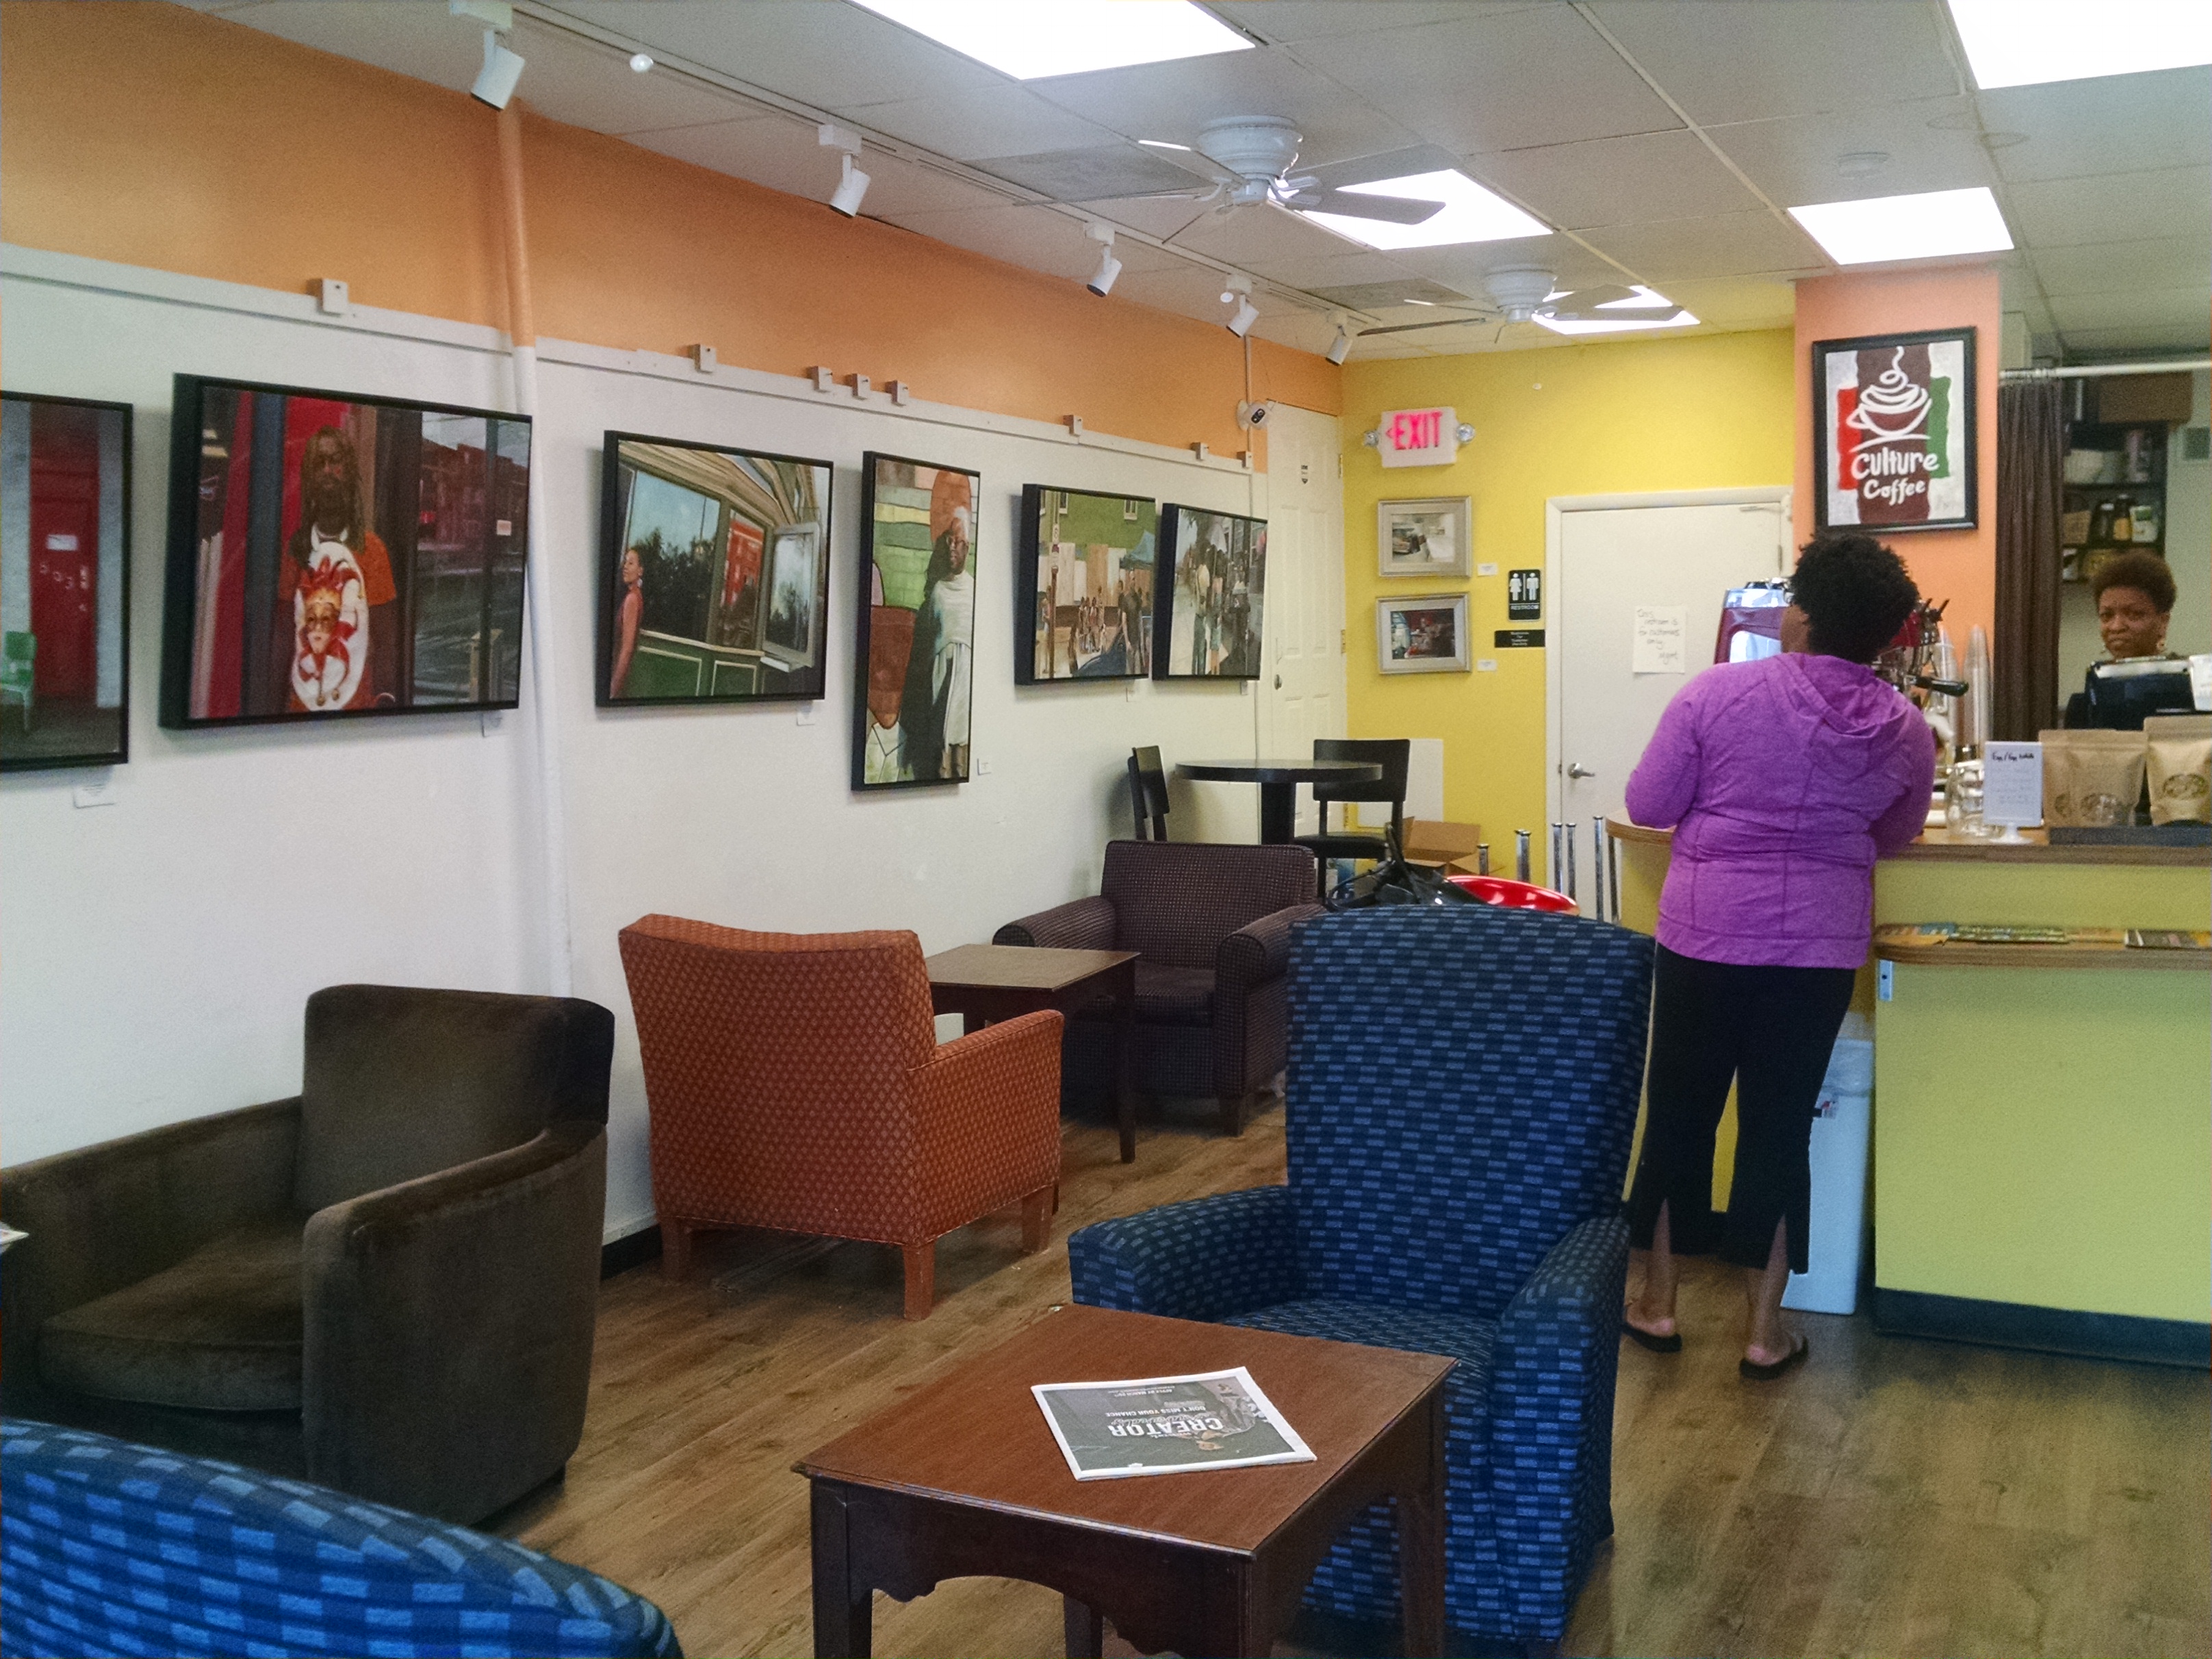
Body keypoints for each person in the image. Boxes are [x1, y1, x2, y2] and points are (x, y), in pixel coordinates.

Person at [1621, 530, 1936, 1380]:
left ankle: (1656, 1303)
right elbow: (1897, 834)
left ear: (1801, 614)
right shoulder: (1907, 729)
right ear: (1883, 635)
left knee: (1679, 1116)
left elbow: (1648, 803)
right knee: (1779, 1126)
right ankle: (1764, 1331)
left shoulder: (1716, 693)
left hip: (1706, 936)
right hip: (1817, 951)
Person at [281, 424, 395, 712]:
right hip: (300, 712)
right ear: (309, 477)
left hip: (357, 713)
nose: (328, 471)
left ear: (349, 472)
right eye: (319, 464)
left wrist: (385, 707)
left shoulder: (373, 550)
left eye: (335, 462)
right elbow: (282, 640)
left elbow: (386, 644)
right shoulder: (296, 550)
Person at [608, 543, 645, 698]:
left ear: (640, 571)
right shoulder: (635, 596)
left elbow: (627, 649)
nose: (625, 567)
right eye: (625, 562)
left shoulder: (632, 599)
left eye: (631, 563)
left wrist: (613, 689)